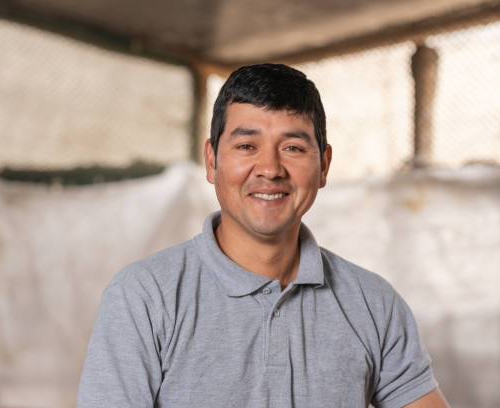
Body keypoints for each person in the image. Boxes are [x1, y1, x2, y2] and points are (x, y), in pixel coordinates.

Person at [77, 63, 450, 408]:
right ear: (212, 161)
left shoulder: (375, 304)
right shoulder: (143, 297)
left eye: (293, 148)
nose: (270, 169)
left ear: (324, 166)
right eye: (246, 146)